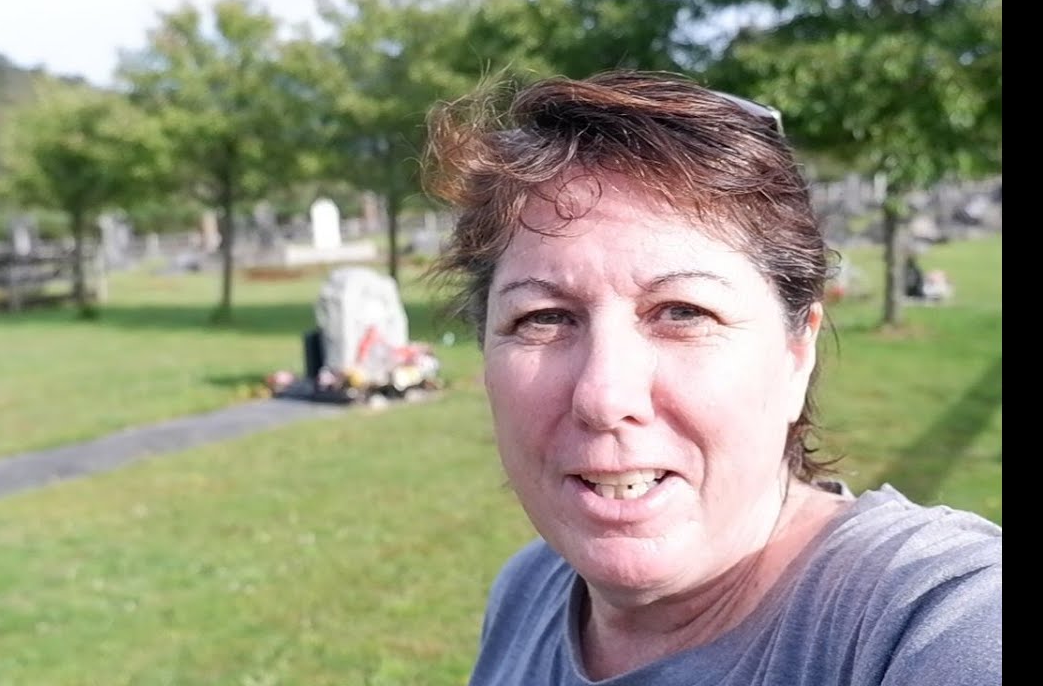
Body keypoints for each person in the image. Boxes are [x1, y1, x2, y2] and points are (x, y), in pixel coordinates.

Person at [420, 70, 1001, 685]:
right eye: (544, 318)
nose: (604, 396)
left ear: (797, 351)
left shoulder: (935, 620)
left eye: (683, 313)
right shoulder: (526, 591)